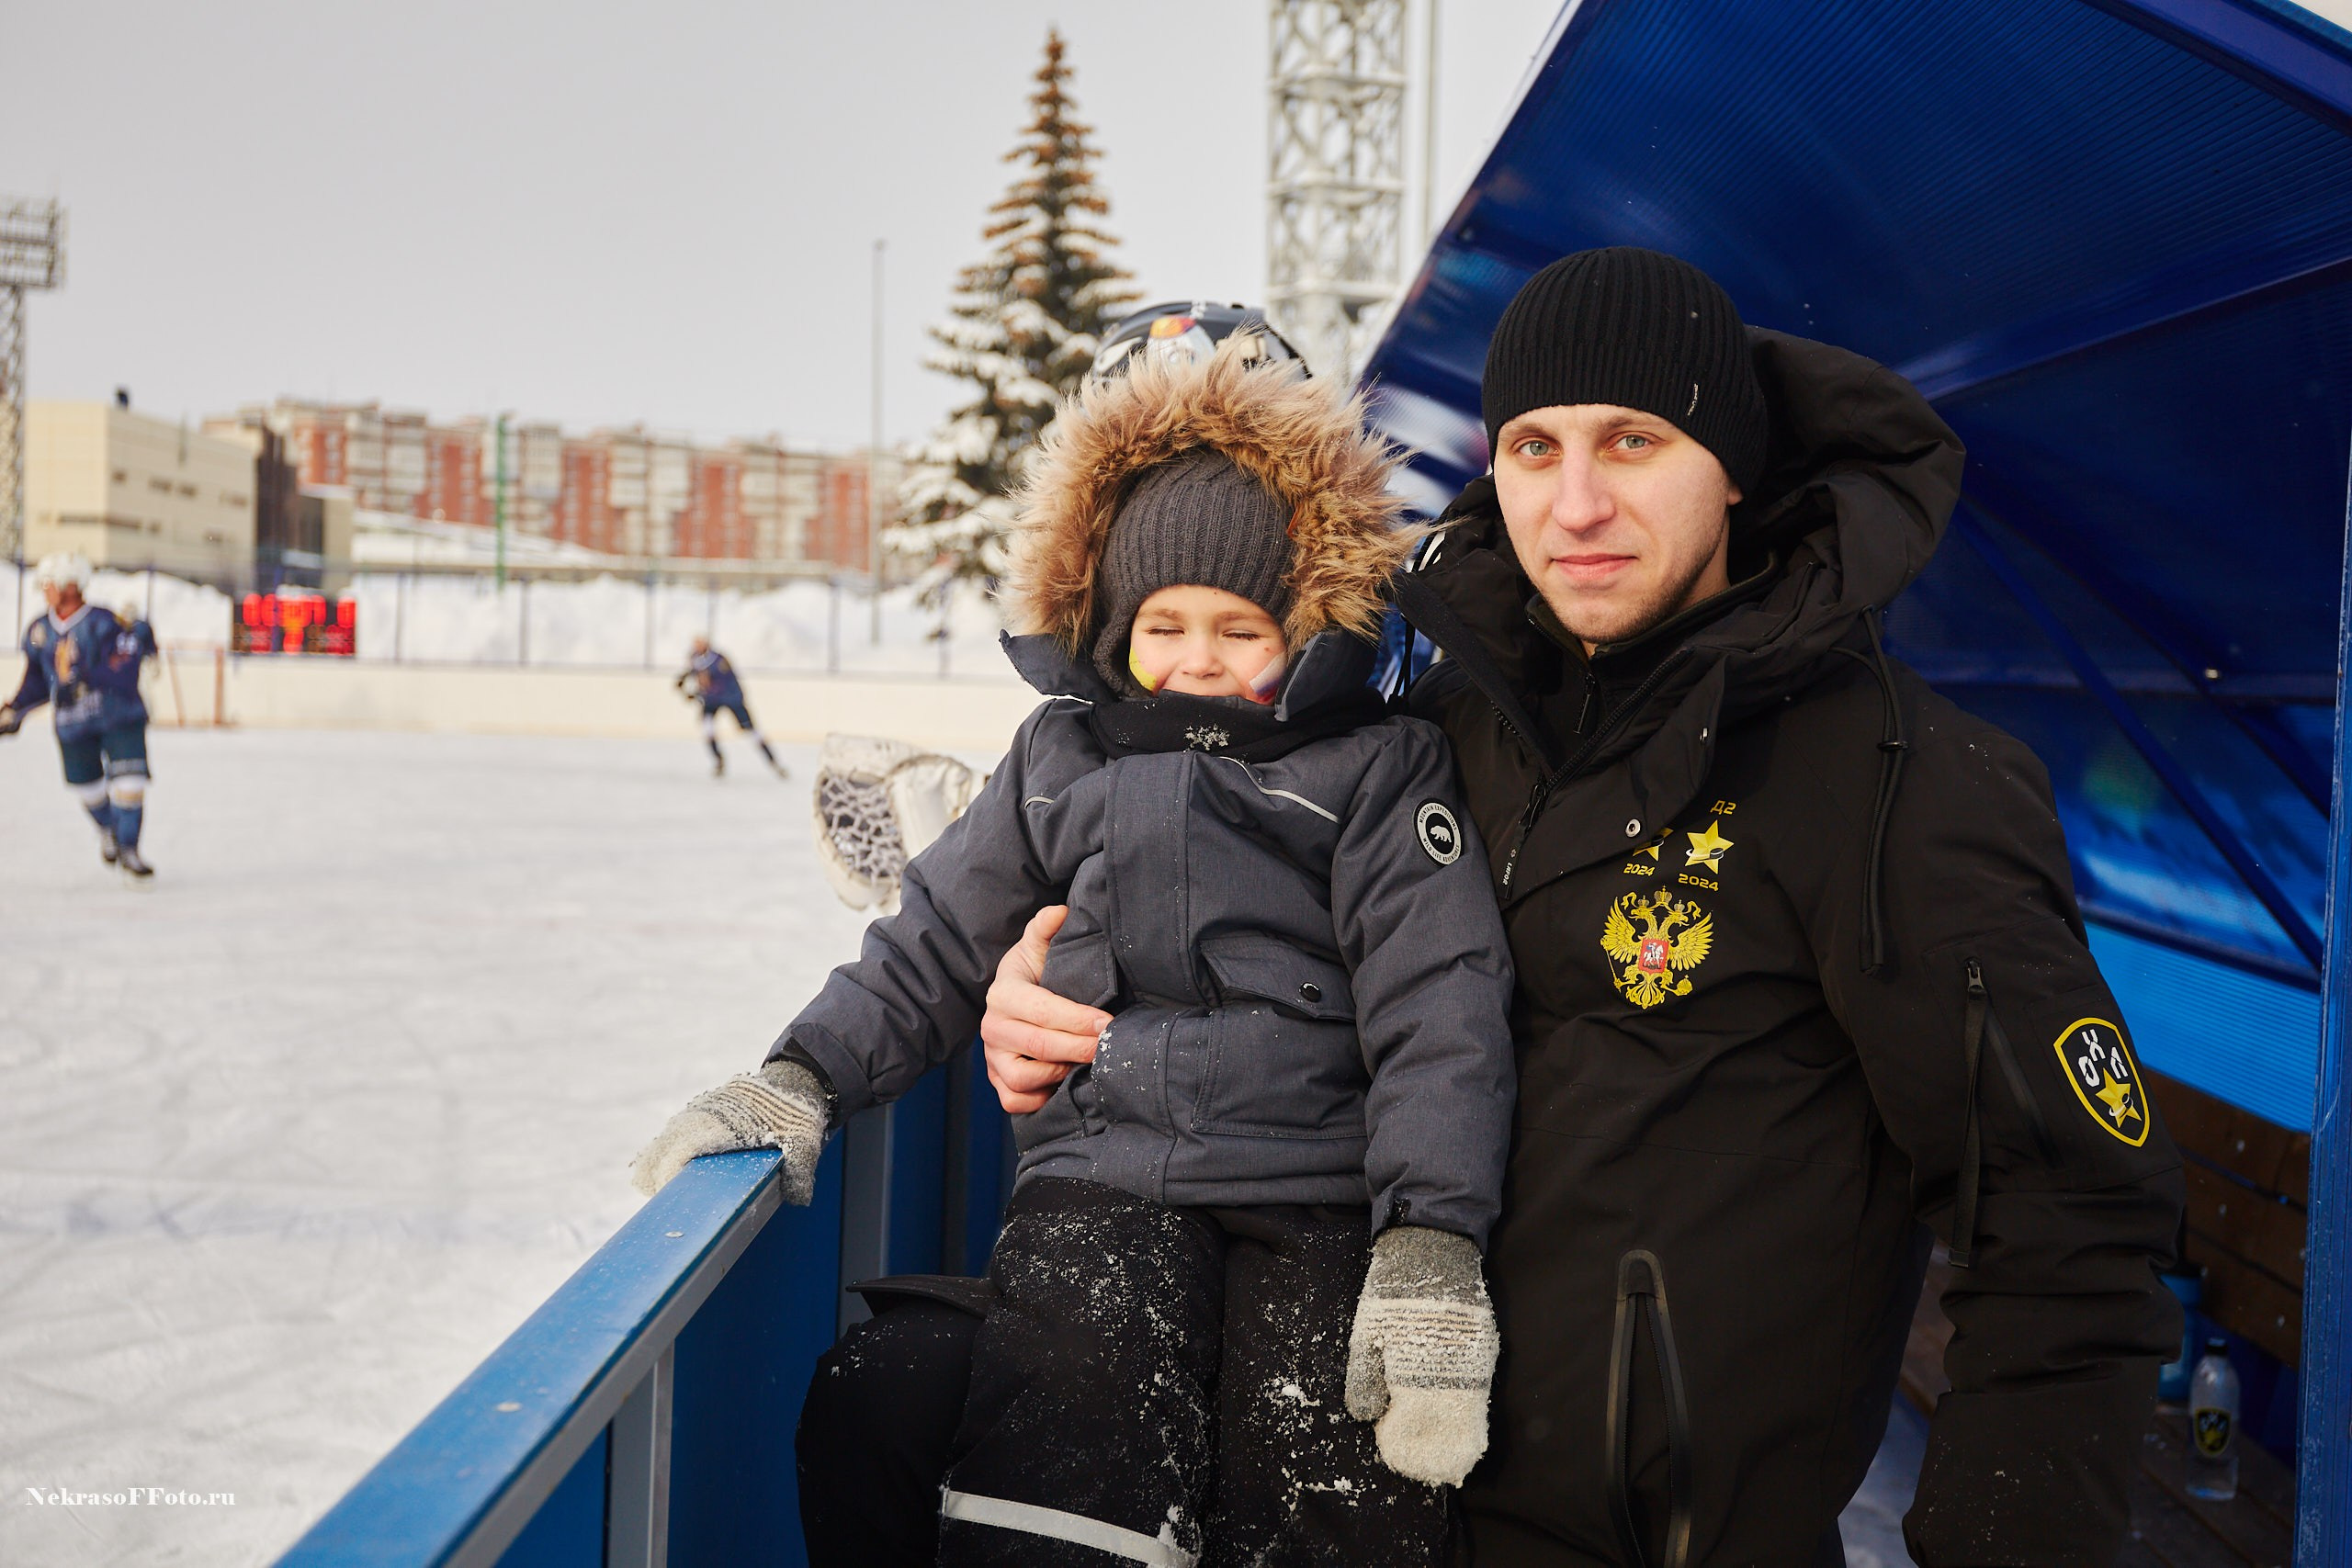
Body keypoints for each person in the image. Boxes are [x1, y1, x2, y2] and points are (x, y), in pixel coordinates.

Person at [844, 248, 2188, 1567]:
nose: (1578, 502)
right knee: (885, 1397)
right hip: (1351, 1451)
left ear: (1730, 466)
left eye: (1635, 441)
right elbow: (1244, 932)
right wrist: (1045, 996)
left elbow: (2071, 1227)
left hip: (1629, 1533)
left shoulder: (1897, 782)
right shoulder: (1434, 733)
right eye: (1534, 447)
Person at [632, 340, 1519, 1565]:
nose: (1198, 657)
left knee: (1321, 1449)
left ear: (1306, 625)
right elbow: (935, 937)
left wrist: (1430, 1238)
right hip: (1104, 1170)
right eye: (1165, 623)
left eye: (1239, 626)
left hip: (1313, 1183)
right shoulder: (1062, 761)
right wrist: (803, 1070)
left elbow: (1440, 1002)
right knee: (1067, 1418)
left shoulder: (1373, 767)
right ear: (1111, 623)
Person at [2, 553, 160, 877]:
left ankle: (129, 848)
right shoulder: (39, 630)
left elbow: (124, 669)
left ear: (69, 585)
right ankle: (109, 831)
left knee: (129, 781)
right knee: (88, 789)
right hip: (72, 725)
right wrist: (14, 710)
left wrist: (83, 677)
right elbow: (37, 680)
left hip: (118, 716)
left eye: (49, 584)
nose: (44, 590)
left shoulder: (105, 622)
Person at [674, 636, 785, 777]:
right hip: (712, 701)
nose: (696, 647)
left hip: (731, 699)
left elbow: (715, 683)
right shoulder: (696, 658)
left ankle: (773, 762)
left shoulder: (718, 660)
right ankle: (718, 760)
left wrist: (698, 694)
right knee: (708, 728)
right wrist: (685, 679)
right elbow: (696, 672)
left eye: (699, 644)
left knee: (751, 731)